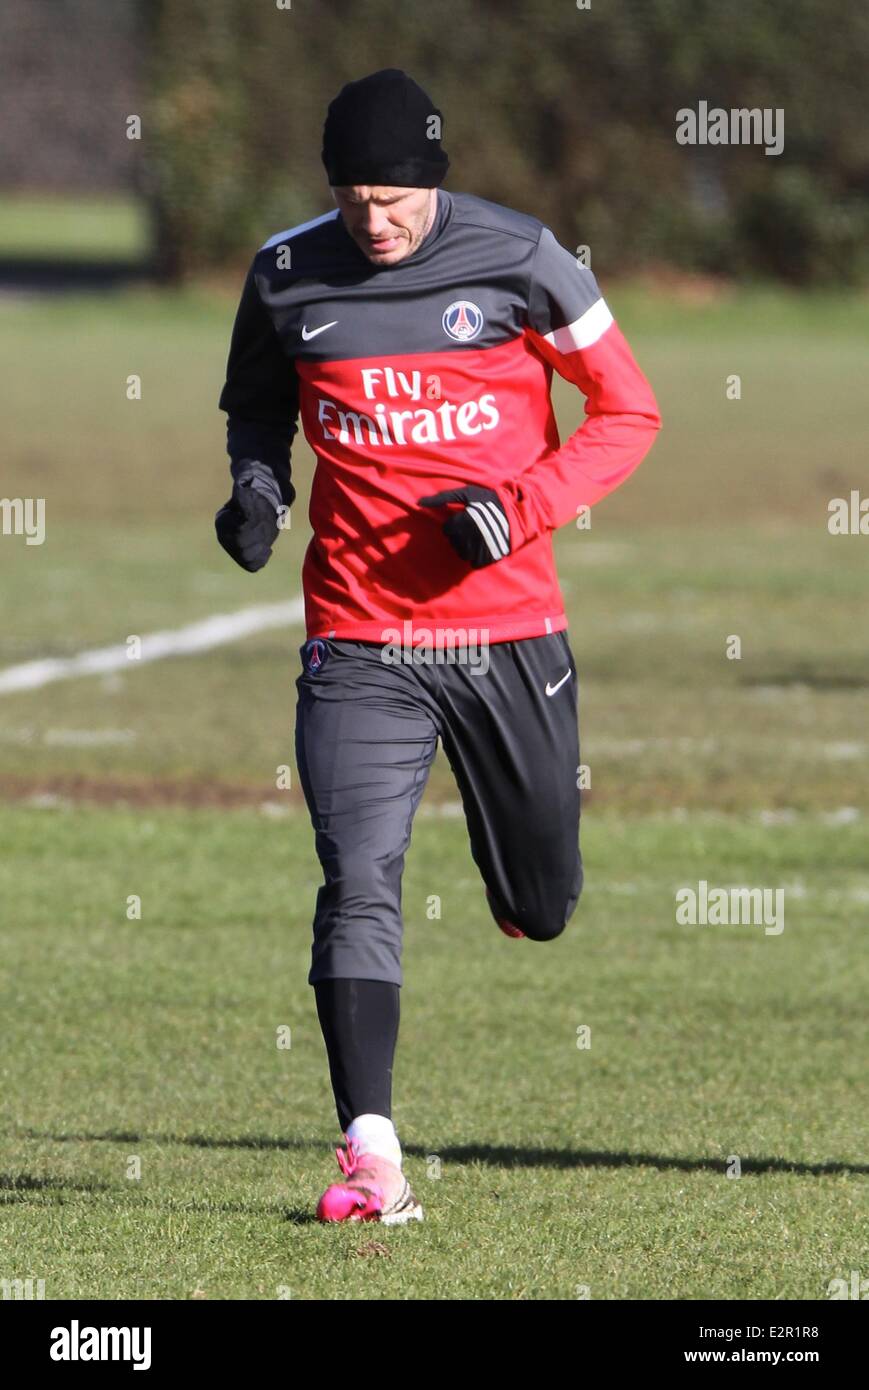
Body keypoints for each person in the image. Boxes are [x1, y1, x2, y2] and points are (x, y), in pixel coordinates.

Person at [216, 69, 661, 1224]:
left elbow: (628, 411)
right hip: (358, 635)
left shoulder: (524, 258)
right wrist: (257, 491)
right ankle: (372, 1156)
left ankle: (518, 880)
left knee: (542, 901)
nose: (374, 222)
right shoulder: (283, 272)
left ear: (435, 182)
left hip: (508, 633)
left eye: (396, 202)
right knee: (356, 878)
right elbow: (257, 411)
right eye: (354, 198)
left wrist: (519, 507)